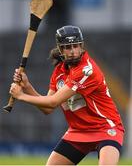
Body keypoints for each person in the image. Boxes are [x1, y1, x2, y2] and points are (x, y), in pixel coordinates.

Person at [10, 25, 124, 165]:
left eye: (76, 46)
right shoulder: (59, 72)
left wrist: (21, 96)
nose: (73, 52)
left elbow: (53, 102)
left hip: (105, 128)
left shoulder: (86, 71)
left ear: (81, 46)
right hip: (78, 131)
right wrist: (27, 87)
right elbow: (47, 108)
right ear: (60, 49)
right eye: (68, 47)